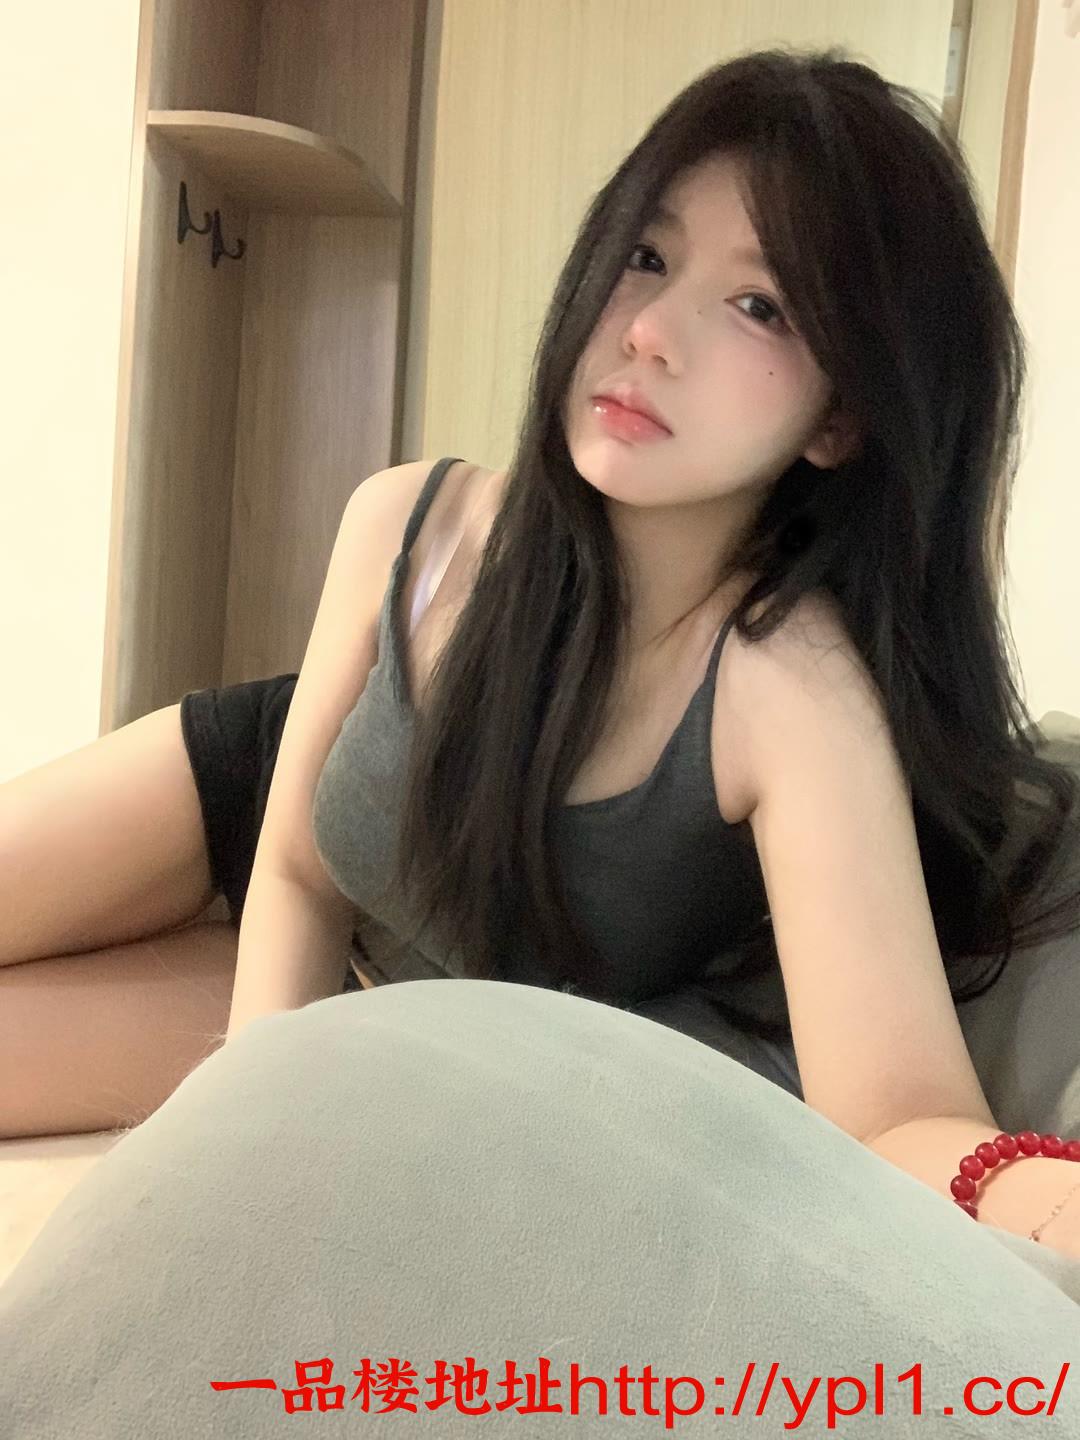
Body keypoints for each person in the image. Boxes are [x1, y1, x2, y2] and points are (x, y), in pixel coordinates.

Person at [5, 49, 1080, 1435]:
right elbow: (297, 871)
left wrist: (1040, 1194)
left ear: (840, 417)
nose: (651, 333)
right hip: (275, 798)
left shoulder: (787, 684)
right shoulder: (409, 518)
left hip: (382, 987)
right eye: (646, 257)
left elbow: (897, 1113)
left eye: (757, 304)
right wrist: (251, 1120)